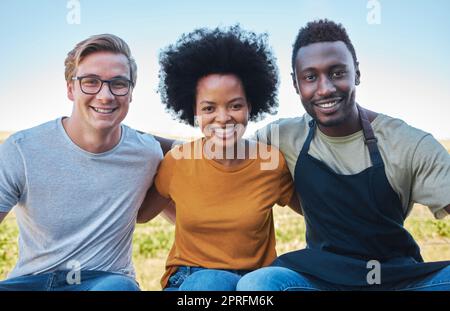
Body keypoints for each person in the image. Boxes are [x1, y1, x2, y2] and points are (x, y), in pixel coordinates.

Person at [236, 19, 450, 291]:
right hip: (319, 279)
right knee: (258, 284)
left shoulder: (409, 143)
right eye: (310, 77)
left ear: (357, 73)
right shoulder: (282, 137)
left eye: (337, 73)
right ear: (296, 84)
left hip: (397, 280)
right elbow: (217, 154)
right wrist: (163, 146)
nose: (325, 88)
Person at [137, 25, 301, 291]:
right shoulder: (177, 162)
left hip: (253, 282)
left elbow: (315, 213)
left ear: (251, 106)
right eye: (209, 108)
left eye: (235, 105)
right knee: (209, 281)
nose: (223, 118)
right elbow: (142, 215)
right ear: (194, 112)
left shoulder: (271, 163)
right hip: (190, 279)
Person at [0, 34, 168, 291]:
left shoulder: (146, 154)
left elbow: (182, 195)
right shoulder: (22, 149)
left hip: (105, 280)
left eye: (119, 84)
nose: (106, 95)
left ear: (131, 92)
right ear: (70, 89)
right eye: (91, 82)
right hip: (31, 282)